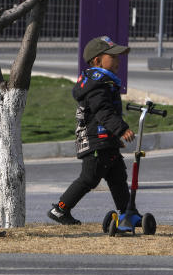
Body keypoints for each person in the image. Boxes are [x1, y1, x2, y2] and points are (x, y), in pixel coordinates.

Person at [47, 36, 135, 225]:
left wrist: (113, 138)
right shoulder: (97, 85)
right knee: (89, 178)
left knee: (118, 177)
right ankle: (60, 209)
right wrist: (121, 130)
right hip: (95, 141)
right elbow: (103, 112)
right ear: (97, 61)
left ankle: (128, 213)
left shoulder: (103, 83)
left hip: (105, 140)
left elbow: (102, 116)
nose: (118, 61)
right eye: (113, 57)